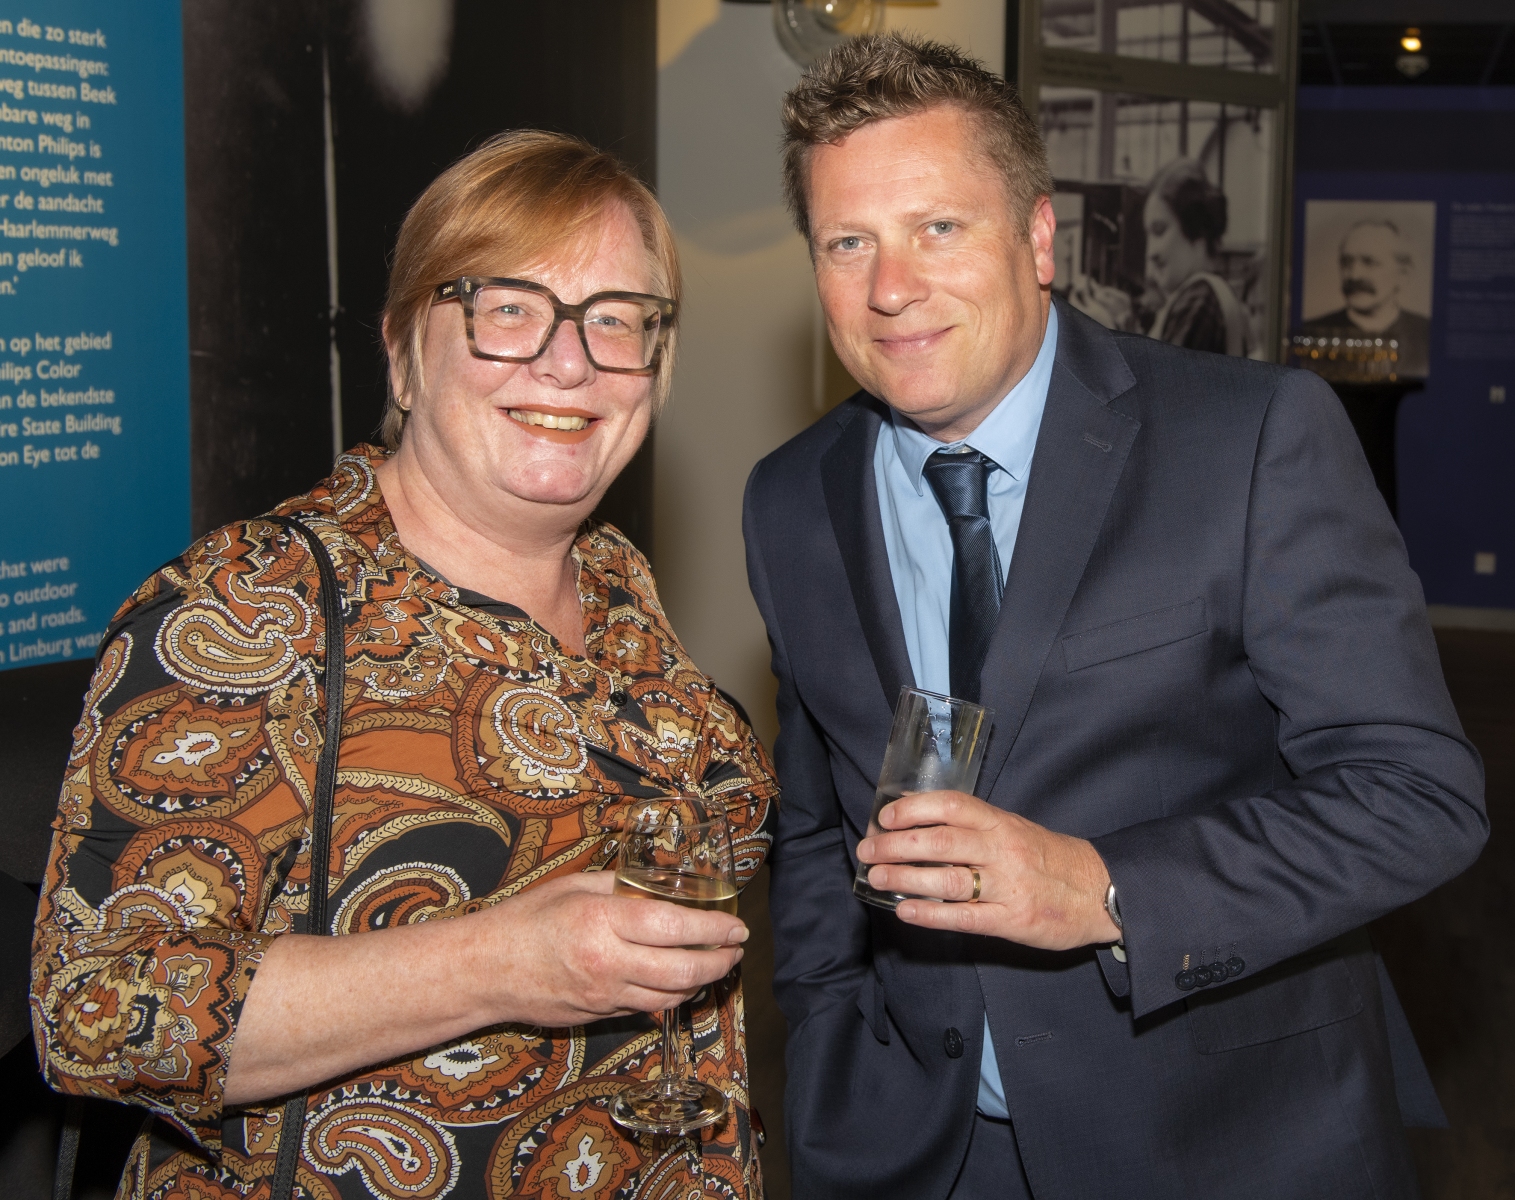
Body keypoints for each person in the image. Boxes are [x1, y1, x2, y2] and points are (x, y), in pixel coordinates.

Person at [743, 33, 1484, 1199]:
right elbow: (813, 825)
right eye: (849, 242)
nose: (890, 287)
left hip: (1222, 1145)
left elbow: (1417, 798)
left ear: (1039, 241)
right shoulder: (789, 499)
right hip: (923, 1152)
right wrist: (831, 1055)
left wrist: (1103, 889)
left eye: (938, 227)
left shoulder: (1246, 440)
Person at [32, 130, 777, 1199]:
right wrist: (498, 965)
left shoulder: (616, 580)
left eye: (618, 318)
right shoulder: (253, 605)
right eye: (508, 308)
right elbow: (97, 1015)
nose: (570, 361)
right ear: (401, 352)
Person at [1141, 158, 1249, 355]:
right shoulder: (1210, 295)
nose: (1151, 252)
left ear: (1196, 228)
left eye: (1160, 230)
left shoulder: (1199, 300)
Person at [1299, 218, 1431, 376]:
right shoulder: (1310, 333)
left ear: (1403, 275)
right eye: (1346, 262)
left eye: (1369, 262)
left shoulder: (1428, 335)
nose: (1354, 275)